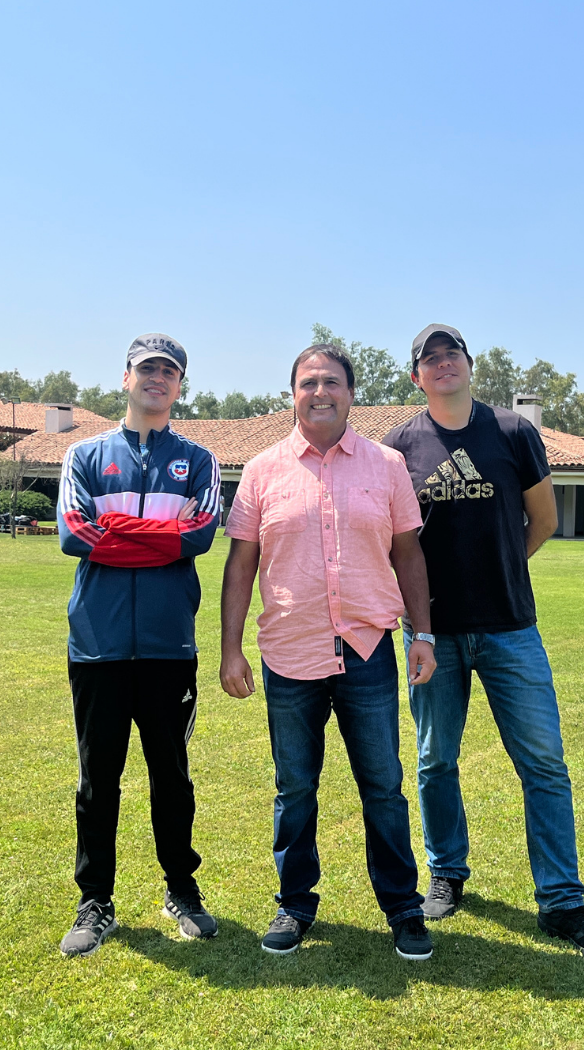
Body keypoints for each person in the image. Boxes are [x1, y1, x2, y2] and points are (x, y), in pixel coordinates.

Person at [381, 323, 584, 962]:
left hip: (511, 628)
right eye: (430, 359)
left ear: (469, 364)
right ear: (416, 377)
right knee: (435, 759)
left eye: (452, 354)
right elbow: (391, 541)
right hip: (432, 634)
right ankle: (446, 873)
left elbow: (543, 520)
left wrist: (502, 569)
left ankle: (562, 901)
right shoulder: (398, 447)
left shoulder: (513, 432)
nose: (443, 364)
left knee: (543, 763)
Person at [221, 343, 438, 961]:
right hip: (290, 654)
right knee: (294, 789)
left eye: (332, 382)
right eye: (309, 383)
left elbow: (408, 554)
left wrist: (423, 634)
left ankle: (403, 908)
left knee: (384, 786)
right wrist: (230, 649)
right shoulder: (261, 471)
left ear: (351, 393)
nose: (321, 393)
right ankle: (294, 904)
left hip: (368, 650)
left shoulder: (387, 465)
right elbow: (241, 564)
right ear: (292, 394)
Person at [57, 332, 222, 958]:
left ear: (180, 385)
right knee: (97, 780)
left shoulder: (199, 461)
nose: (157, 378)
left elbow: (199, 536)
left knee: (171, 778)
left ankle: (182, 889)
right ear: (126, 378)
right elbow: (74, 535)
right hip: (96, 645)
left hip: (167, 646)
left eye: (169, 371)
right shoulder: (83, 455)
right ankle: (95, 900)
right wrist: (161, 538)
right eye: (146, 368)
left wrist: (118, 532)